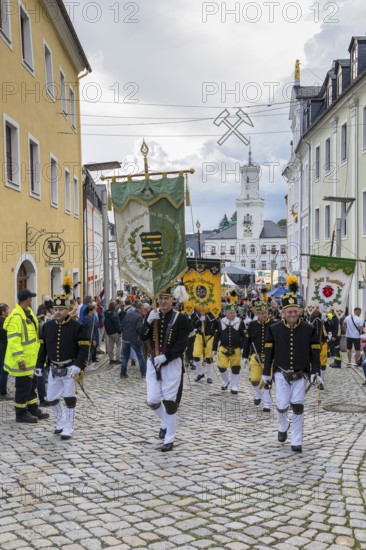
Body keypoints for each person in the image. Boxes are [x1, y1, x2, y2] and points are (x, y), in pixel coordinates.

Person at [263, 292, 321, 453]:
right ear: (283, 312)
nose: (293, 314)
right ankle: (283, 424)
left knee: (298, 407)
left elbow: (315, 351)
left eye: (295, 311)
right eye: (289, 311)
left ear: (300, 311)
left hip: (300, 374)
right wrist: (266, 373)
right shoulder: (273, 329)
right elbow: (269, 353)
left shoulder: (309, 329)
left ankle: (297, 440)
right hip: (281, 374)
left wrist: (316, 372)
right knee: (281, 406)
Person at [141, 288, 190, 452]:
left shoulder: (180, 319)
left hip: (171, 363)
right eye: (160, 298)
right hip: (153, 361)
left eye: (166, 298)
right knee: (152, 400)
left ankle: (169, 437)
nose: (163, 302)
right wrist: (147, 322)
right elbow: (141, 336)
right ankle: (165, 421)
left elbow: (182, 343)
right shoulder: (153, 316)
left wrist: (167, 356)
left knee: (169, 401)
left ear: (172, 300)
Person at [36, 294, 90, 439]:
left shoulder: (77, 326)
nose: (58, 312)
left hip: (70, 368)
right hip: (53, 368)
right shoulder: (47, 326)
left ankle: (68, 426)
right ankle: (60, 420)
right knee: (51, 397)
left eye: (61, 309)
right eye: (56, 309)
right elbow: (43, 348)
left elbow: (84, 348)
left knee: (69, 398)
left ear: (68, 310)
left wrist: (79, 365)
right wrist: (39, 365)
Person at [4, 289, 49, 423]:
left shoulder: (27, 313)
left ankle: (33, 408)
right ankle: (21, 413)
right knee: (23, 387)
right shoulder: (17, 317)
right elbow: (14, 340)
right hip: (22, 360)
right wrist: (20, 359)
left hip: (31, 360)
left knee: (31, 385)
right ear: (26, 299)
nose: (31, 300)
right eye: (30, 298)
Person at [242, 300, 275, 411]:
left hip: (269, 357)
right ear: (257, 314)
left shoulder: (273, 325)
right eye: (261, 313)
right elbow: (248, 341)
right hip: (255, 356)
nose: (264, 315)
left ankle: (267, 404)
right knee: (254, 380)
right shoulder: (252, 325)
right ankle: (258, 394)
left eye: (265, 312)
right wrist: (245, 356)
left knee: (267, 381)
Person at [212, 303, 246, 394]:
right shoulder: (221, 322)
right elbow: (217, 336)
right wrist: (214, 348)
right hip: (223, 349)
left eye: (234, 312)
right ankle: (225, 381)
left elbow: (244, 336)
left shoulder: (240, 322)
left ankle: (234, 386)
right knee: (222, 366)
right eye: (230, 313)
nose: (232, 314)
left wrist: (243, 347)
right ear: (226, 313)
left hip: (236, 349)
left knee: (236, 368)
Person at [120, 300, 146, 378]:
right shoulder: (139, 316)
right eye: (143, 309)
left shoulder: (128, 313)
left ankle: (123, 373)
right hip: (134, 338)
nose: (143, 310)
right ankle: (143, 373)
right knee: (140, 356)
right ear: (140, 308)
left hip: (125, 337)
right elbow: (139, 328)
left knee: (125, 356)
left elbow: (122, 324)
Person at [192, 310, 218, 384]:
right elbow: (193, 325)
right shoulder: (197, 315)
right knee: (196, 355)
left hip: (210, 337)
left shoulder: (214, 315)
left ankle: (209, 376)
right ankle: (200, 373)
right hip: (199, 336)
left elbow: (218, 327)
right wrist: (200, 320)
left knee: (209, 357)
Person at [309, 307, 332, 389]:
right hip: (311, 343)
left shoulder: (324, 317)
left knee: (323, 362)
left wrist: (326, 321)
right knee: (312, 361)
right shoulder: (309, 317)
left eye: (318, 308)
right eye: (315, 308)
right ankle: (312, 377)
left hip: (322, 342)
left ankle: (321, 380)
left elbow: (329, 328)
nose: (316, 309)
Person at [0, 303, 11, 400]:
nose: (8, 311)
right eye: (7, 310)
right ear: (3, 312)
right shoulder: (5, 321)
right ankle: (2, 393)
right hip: (4, 346)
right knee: (4, 370)